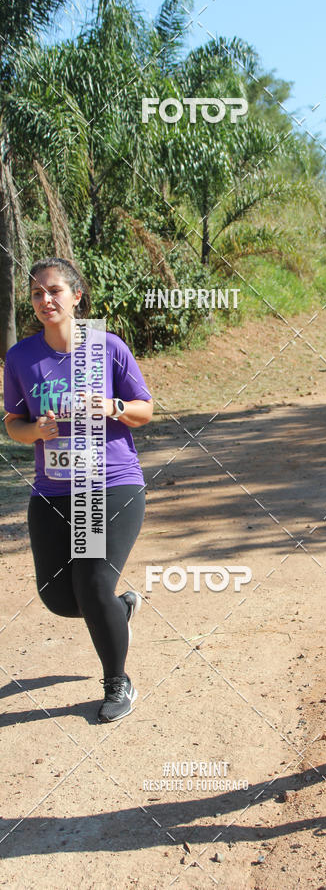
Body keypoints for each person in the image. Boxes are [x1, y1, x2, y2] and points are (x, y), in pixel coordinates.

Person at [3, 258, 153, 723]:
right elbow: (13, 423)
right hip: (52, 488)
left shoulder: (105, 346)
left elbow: (145, 410)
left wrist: (111, 405)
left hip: (111, 482)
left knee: (91, 581)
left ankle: (117, 682)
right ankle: (117, 609)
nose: (45, 300)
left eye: (54, 291)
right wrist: (37, 431)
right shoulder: (21, 357)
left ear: (76, 296)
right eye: (37, 293)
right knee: (59, 598)